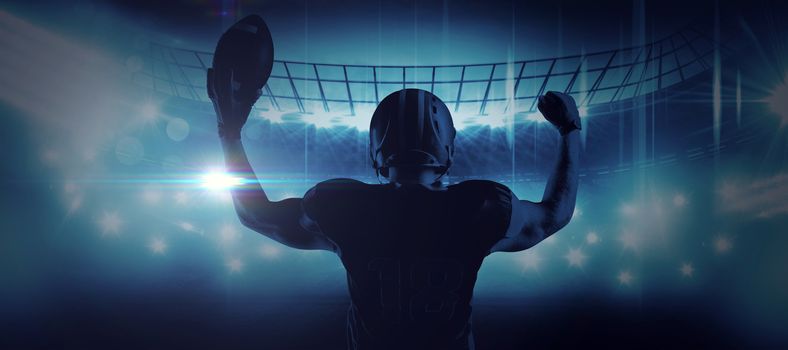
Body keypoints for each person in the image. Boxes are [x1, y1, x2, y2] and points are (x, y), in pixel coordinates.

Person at [208, 40, 580, 350]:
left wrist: (230, 131)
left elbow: (253, 213)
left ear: (375, 152)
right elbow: (554, 214)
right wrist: (569, 131)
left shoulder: (342, 207)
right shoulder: (482, 207)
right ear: (448, 151)